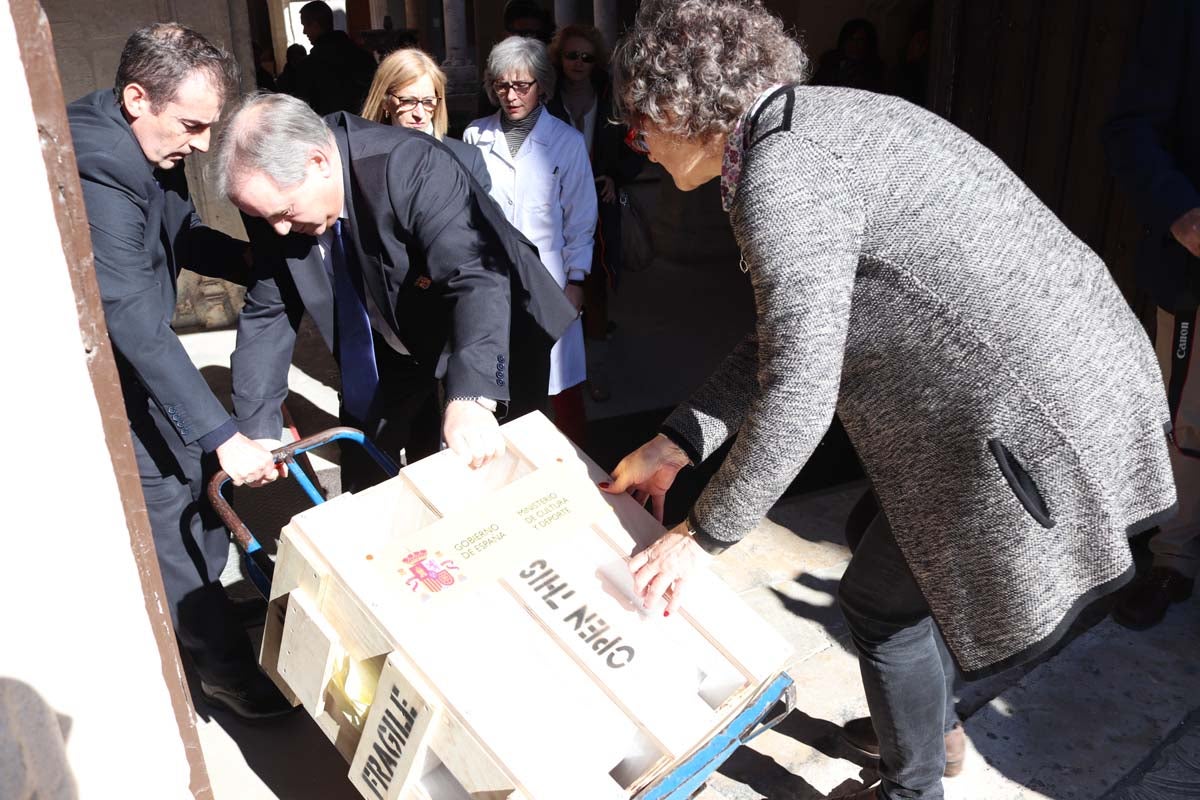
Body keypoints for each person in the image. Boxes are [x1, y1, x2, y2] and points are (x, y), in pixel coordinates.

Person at [602, 2, 1177, 799]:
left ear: (677, 109)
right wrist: (678, 442)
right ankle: (924, 724)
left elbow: (800, 387)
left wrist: (701, 537)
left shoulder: (784, 180)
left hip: (1031, 409)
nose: (645, 150)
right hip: (1076, 367)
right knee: (879, 526)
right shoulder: (825, 120)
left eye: (639, 131)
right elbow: (798, 336)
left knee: (877, 597)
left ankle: (915, 785)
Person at [67, 23, 291, 719]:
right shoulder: (99, 162)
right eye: (192, 126)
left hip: (133, 346)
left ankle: (213, 605)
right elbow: (130, 316)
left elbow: (180, 233)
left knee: (194, 481)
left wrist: (248, 261)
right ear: (138, 98)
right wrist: (224, 432)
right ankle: (220, 668)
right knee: (167, 500)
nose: (199, 143)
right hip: (107, 362)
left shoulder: (146, 148)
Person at [216, 93, 577, 490]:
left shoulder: (409, 163)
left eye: (284, 213)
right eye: (266, 219)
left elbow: (474, 274)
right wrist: (258, 430)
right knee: (367, 463)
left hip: (497, 324)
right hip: (393, 335)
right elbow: (269, 311)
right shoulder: (276, 204)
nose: (280, 230)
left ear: (318, 162)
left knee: (507, 471)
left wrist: (472, 396)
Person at [1102, 0, 1200, 630]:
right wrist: (1181, 213)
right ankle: (1174, 559)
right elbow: (1129, 127)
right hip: (1195, 265)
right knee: (1188, 423)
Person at [464, 37, 597, 446]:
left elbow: (581, 216)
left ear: (542, 85)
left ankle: (574, 467)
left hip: (550, 278)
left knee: (559, 385)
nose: (511, 95)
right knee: (500, 380)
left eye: (522, 85)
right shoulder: (475, 136)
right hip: (493, 276)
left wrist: (576, 280)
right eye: (502, 85)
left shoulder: (567, 141)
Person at [547, 24, 647, 402]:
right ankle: (561, 373)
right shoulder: (545, 94)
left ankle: (595, 373)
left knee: (595, 287)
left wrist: (616, 177)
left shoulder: (611, 96)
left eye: (586, 57)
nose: (578, 63)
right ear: (560, 57)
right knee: (558, 283)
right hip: (554, 204)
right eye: (571, 55)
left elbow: (638, 144)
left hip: (599, 207)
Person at [360, 48, 491, 189]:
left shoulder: (467, 160)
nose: (420, 114)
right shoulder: (362, 161)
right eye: (408, 101)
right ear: (385, 101)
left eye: (428, 101)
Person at [294, 0, 377, 115]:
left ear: (315, 25)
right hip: (364, 126)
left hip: (329, 129)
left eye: (305, 26)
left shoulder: (309, 66)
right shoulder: (363, 57)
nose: (304, 32)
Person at [811, 18, 887, 93]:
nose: (854, 44)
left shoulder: (874, 72)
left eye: (860, 40)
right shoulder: (830, 63)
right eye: (850, 39)